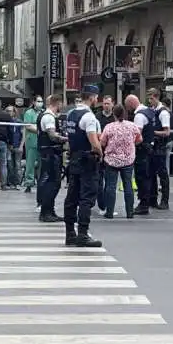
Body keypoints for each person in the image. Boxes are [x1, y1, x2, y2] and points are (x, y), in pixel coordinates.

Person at [64, 84, 103, 247]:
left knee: (72, 197)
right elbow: (94, 142)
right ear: (93, 97)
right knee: (86, 198)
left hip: (74, 158)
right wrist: (100, 153)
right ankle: (83, 234)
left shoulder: (71, 113)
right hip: (87, 160)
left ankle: (70, 234)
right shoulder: (89, 117)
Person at [100, 104, 141, 219]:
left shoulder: (109, 127)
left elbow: (102, 142)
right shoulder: (132, 126)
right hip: (128, 160)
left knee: (110, 186)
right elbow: (139, 139)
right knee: (128, 185)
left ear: (114, 114)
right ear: (125, 114)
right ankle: (129, 212)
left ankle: (109, 212)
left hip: (111, 160)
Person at [36, 94, 67, 222]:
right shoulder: (48, 117)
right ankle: (46, 212)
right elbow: (52, 136)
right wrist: (66, 138)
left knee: (53, 182)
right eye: (61, 103)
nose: (62, 106)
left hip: (49, 153)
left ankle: (50, 211)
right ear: (57, 103)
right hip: (50, 153)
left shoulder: (47, 116)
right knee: (53, 183)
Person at [124, 94, 154, 215]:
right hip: (150, 148)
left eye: (128, 106)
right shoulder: (149, 112)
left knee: (141, 177)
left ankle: (143, 204)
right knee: (148, 176)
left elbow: (137, 135)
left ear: (131, 103)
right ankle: (148, 201)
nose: (128, 109)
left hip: (142, 151)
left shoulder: (139, 116)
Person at [147, 88, 171, 210]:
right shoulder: (152, 111)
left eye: (150, 98)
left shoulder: (163, 112)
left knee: (162, 175)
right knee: (151, 173)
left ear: (156, 97)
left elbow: (167, 132)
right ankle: (152, 199)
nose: (149, 100)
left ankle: (165, 200)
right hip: (152, 146)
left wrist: (153, 132)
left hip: (160, 146)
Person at [95, 95, 116, 215]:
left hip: (111, 152)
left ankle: (108, 206)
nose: (106, 106)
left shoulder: (115, 117)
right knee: (98, 180)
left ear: (112, 104)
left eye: (108, 103)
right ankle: (101, 204)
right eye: (104, 103)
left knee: (109, 181)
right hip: (99, 150)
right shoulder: (97, 116)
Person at [22, 96, 42, 194]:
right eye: (38, 101)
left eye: (41, 101)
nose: (40, 103)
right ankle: (29, 184)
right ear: (34, 102)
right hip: (31, 141)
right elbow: (28, 126)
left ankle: (41, 182)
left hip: (41, 142)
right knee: (30, 163)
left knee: (41, 163)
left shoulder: (43, 113)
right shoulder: (29, 113)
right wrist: (40, 130)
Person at [6, 105, 24, 188]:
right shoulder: (6, 122)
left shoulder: (19, 122)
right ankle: (11, 182)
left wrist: (21, 146)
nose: (9, 112)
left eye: (10, 111)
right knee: (10, 165)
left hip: (17, 146)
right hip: (9, 147)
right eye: (7, 111)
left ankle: (18, 183)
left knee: (17, 165)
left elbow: (24, 134)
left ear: (14, 112)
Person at [162, 96, 173, 174]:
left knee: (162, 162)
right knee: (167, 161)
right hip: (171, 140)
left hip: (164, 139)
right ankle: (167, 178)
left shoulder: (164, 114)